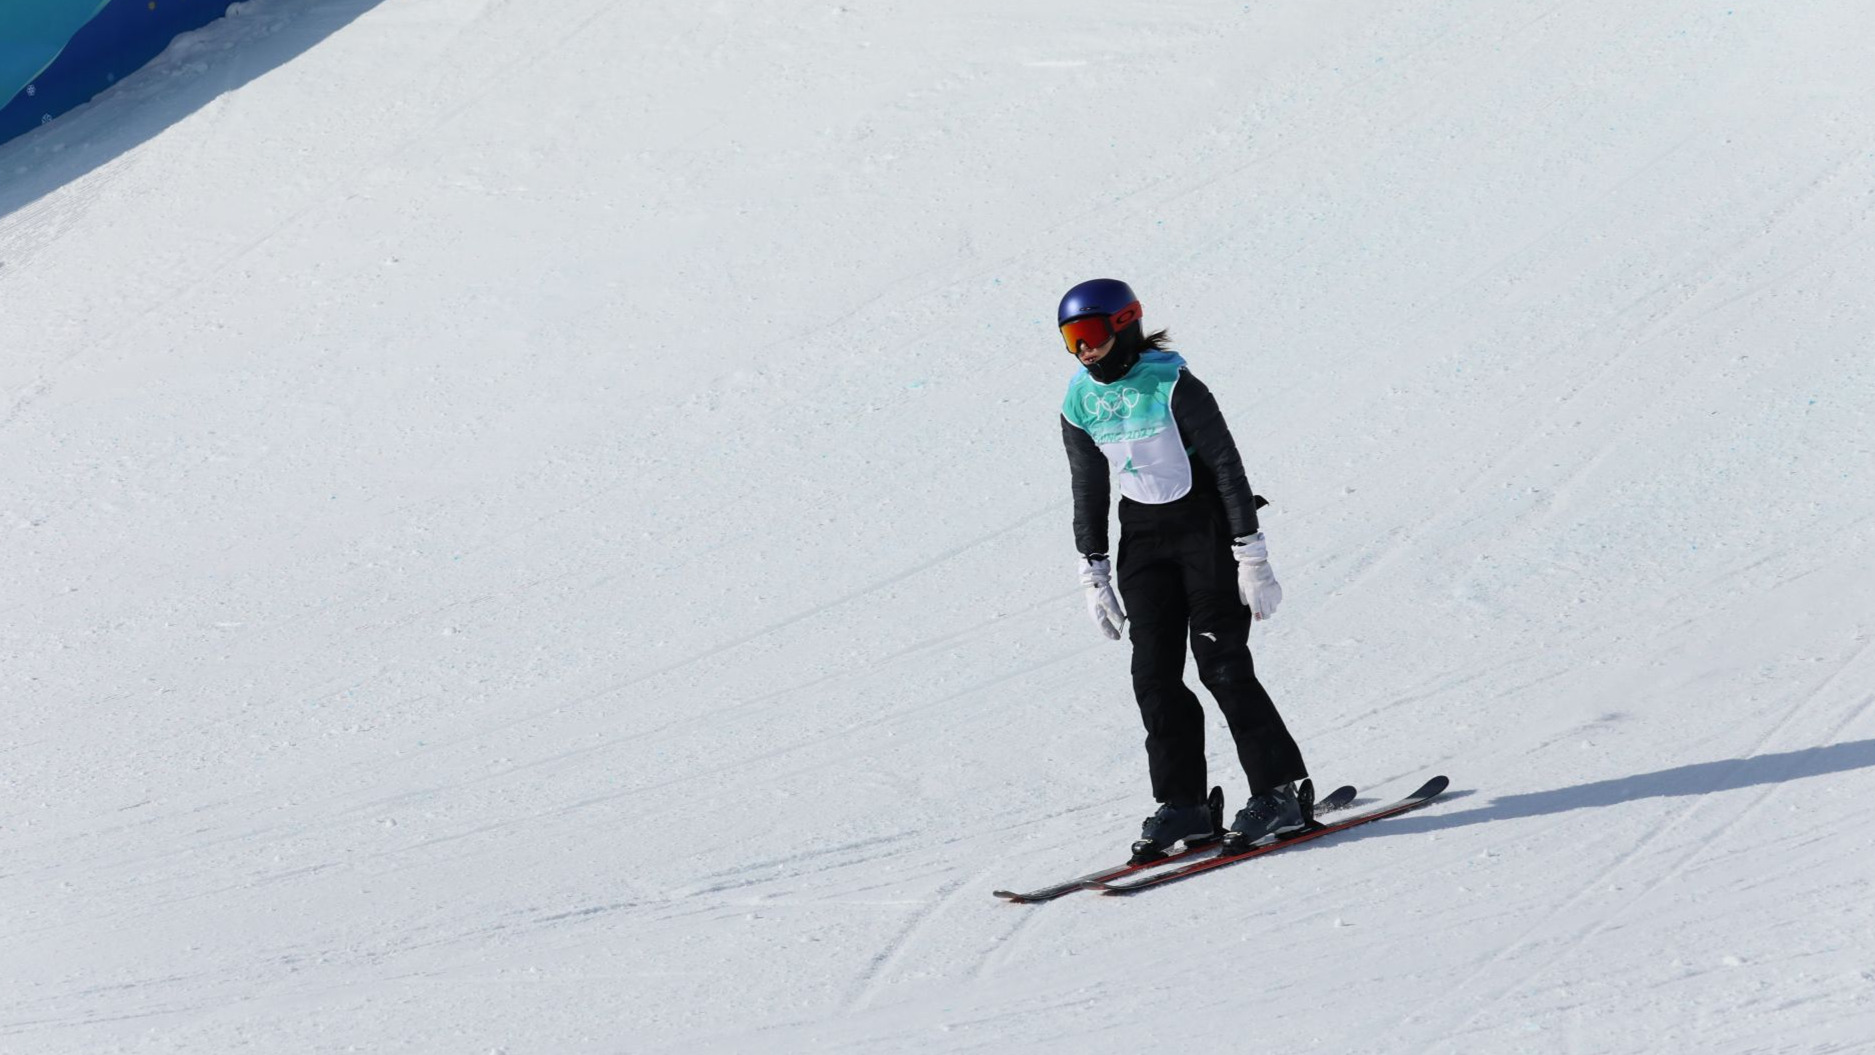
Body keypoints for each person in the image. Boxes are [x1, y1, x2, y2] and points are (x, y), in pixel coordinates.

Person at [1056, 277, 1312, 861]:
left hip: (1205, 529)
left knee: (1221, 665)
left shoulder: (1175, 385)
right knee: (1153, 676)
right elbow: (1088, 487)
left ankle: (1279, 792)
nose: (1084, 351)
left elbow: (1227, 467)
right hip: (1142, 540)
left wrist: (1251, 553)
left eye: (1091, 335)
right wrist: (1092, 568)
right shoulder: (1079, 402)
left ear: (1125, 325)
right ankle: (1185, 806)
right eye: (1072, 340)